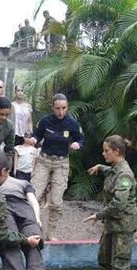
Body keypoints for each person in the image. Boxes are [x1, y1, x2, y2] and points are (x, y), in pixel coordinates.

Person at [83, 135, 137, 270]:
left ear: (117, 151)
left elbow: (118, 204)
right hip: (111, 223)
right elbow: (111, 171)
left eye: (106, 151)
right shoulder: (115, 168)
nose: (103, 153)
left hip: (123, 224)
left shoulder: (125, 175)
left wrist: (97, 215)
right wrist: (100, 167)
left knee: (120, 262)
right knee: (104, 258)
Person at [31, 93, 84, 240]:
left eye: (63, 108)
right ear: (53, 108)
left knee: (56, 200)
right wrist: (33, 139)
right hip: (44, 161)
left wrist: (77, 144)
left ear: (67, 107)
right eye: (57, 108)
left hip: (61, 163)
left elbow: (81, 138)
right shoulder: (45, 121)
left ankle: (51, 232)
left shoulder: (72, 123)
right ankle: (31, 228)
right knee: (33, 195)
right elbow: (37, 135)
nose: (60, 112)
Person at [0, 175, 45, 270]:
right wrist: (37, 219)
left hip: (2, 206)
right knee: (33, 240)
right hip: (24, 209)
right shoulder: (23, 183)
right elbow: (33, 200)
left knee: (10, 245)